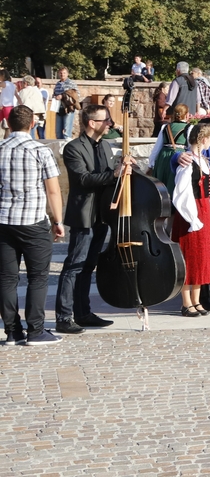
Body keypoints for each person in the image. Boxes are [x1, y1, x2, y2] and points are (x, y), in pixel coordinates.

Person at [56, 103, 123, 334]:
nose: (110, 124)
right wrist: (113, 174)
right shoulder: (73, 148)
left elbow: (109, 176)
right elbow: (83, 179)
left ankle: (83, 313)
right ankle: (64, 317)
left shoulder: (104, 145)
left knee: (88, 266)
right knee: (74, 266)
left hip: (101, 215)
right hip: (83, 215)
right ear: (92, 123)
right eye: (106, 120)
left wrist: (123, 170)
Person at [0, 107, 65, 345]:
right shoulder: (40, 150)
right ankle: (36, 330)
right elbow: (53, 190)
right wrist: (58, 221)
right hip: (33, 222)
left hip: (3, 221)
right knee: (37, 277)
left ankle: (12, 332)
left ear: (8, 124)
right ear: (32, 125)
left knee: (7, 278)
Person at [171, 121, 210, 317]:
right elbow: (181, 194)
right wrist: (192, 218)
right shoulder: (188, 163)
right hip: (192, 213)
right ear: (204, 139)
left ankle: (197, 300)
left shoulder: (203, 161)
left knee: (201, 257)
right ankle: (186, 302)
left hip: (204, 211)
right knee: (189, 257)